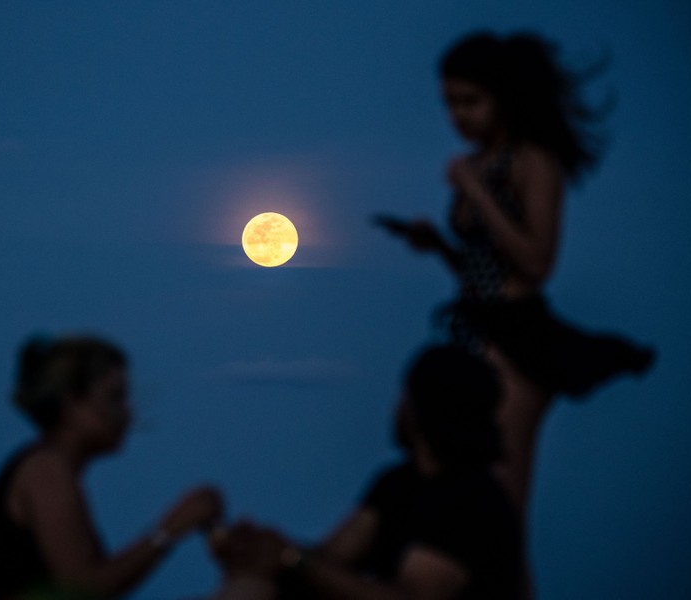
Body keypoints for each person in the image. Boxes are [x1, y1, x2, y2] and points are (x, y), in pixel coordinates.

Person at [373, 31, 655, 513]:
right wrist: (438, 244)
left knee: (502, 503)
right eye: (449, 103)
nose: (458, 115)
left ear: (502, 98)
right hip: (472, 328)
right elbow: (485, 266)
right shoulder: (479, 162)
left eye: (471, 101)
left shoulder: (532, 161)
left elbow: (536, 263)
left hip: (519, 338)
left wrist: (474, 189)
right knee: (425, 450)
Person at [210, 345, 525, 600]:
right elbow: (332, 558)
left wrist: (290, 557)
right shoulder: (397, 485)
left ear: (419, 410)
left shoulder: (475, 503)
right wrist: (262, 549)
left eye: (405, 397)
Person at [0, 334, 223, 600]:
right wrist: (171, 529)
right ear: (71, 403)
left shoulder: (42, 467)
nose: (127, 412)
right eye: (114, 397)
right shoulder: (47, 470)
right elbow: (84, 589)